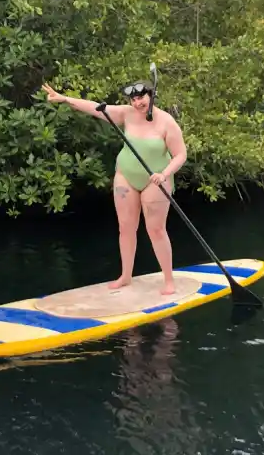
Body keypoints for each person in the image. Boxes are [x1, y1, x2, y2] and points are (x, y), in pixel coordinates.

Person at [41, 79, 187, 295]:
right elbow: (94, 108)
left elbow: (180, 154)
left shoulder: (167, 122)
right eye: (134, 99)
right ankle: (126, 276)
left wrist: (164, 173)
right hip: (126, 175)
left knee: (155, 229)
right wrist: (64, 99)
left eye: (141, 98)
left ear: (151, 96)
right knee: (126, 227)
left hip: (156, 179)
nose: (138, 103)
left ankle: (168, 280)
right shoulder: (126, 113)